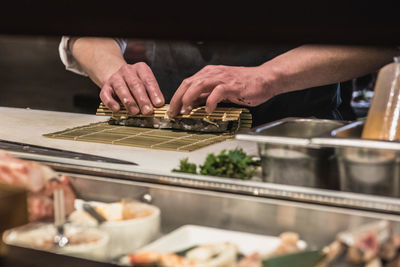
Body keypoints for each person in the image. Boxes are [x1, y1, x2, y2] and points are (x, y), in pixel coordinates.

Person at [59, 37, 399, 126]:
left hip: (290, 140)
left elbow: (381, 38)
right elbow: (83, 27)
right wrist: (113, 69)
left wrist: (269, 76)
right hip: (162, 137)